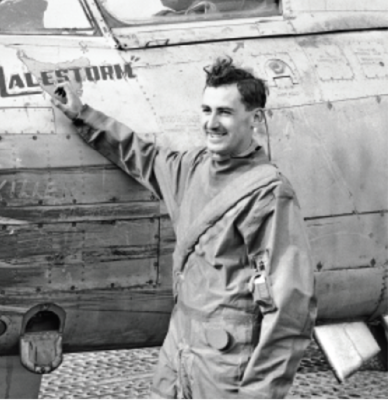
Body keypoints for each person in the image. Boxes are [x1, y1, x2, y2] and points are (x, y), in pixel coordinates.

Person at [48, 57, 316, 399]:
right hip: (177, 356)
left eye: (225, 112)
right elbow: (138, 154)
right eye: (206, 110)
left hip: (226, 369)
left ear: (256, 119)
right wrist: (81, 114)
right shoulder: (190, 168)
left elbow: (290, 307)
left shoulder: (268, 194)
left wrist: (260, 394)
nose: (212, 123)